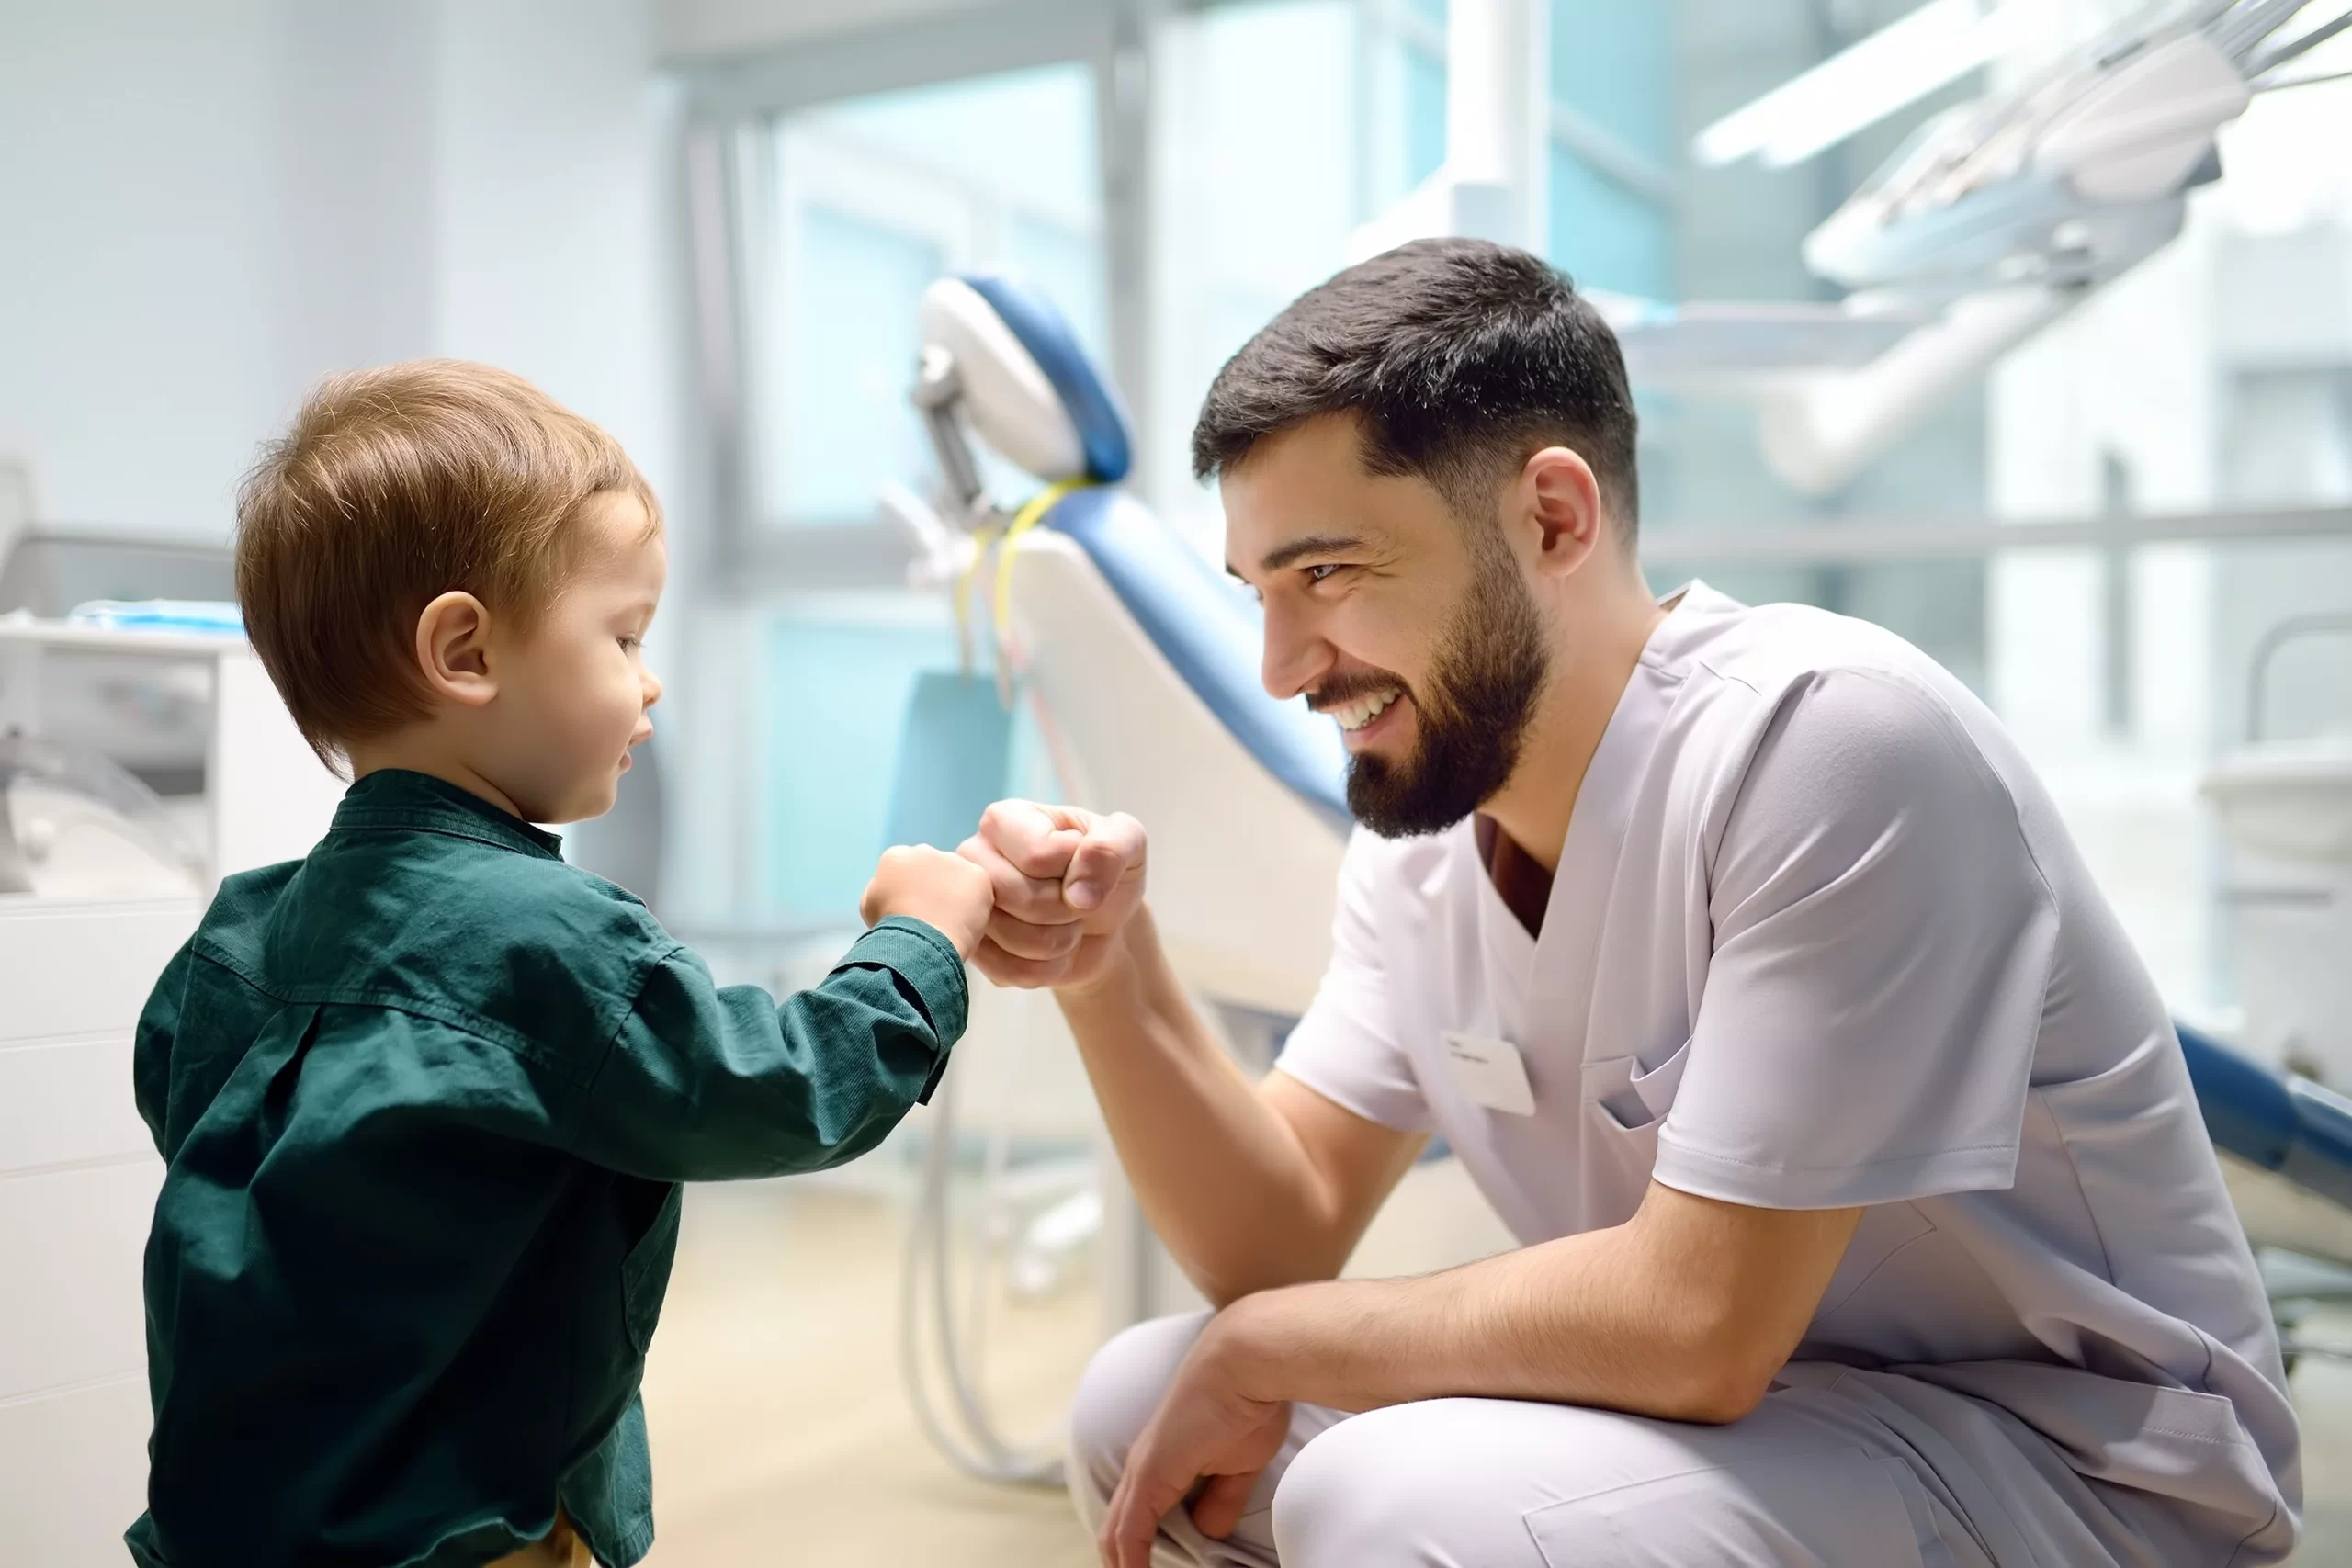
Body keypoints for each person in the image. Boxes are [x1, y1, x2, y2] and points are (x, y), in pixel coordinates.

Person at [956, 240, 2301, 1568]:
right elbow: (1276, 1230)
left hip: (2081, 1467)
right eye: (1260, 593)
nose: (1279, 666)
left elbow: (1697, 1323)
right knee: (1142, 1409)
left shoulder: (1831, 744)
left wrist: (1281, 1341)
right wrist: (1105, 965)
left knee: (1380, 1495)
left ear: (1553, 517)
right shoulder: (1425, 852)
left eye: (1327, 575)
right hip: (1779, 1425)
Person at [127, 362, 993, 1568]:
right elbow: (788, 1087)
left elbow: (182, 1104)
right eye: (625, 633)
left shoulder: (230, 940)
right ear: (466, 650)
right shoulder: (555, 941)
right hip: (464, 1538)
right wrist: (921, 935)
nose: (649, 680)